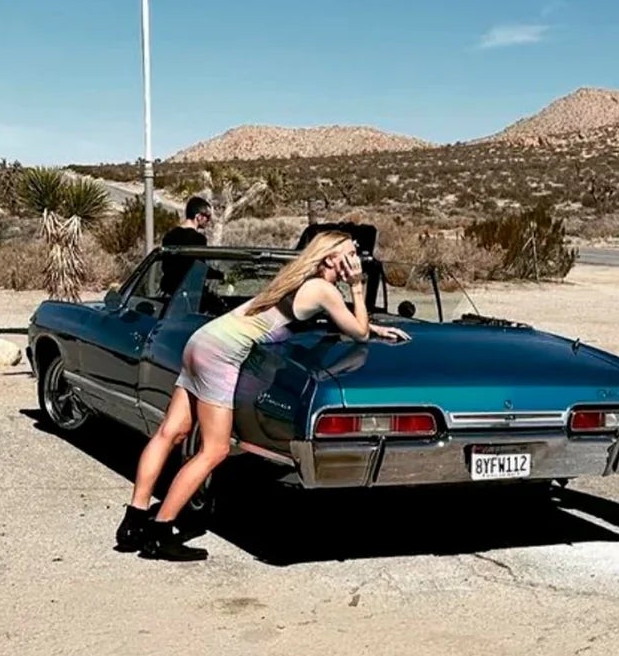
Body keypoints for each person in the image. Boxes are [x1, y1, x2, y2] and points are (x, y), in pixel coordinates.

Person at [114, 230, 409, 562]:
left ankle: (133, 521)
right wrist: (357, 285)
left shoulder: (299, 278)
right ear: (330, 258)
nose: (356, 260)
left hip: (205, 339)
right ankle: (160, 532)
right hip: (223, 354)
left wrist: (372, 326)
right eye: (350, 254)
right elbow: (357, 332)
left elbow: (341, 321)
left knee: (170, 432)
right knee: (215, 450)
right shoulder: (322, 288)